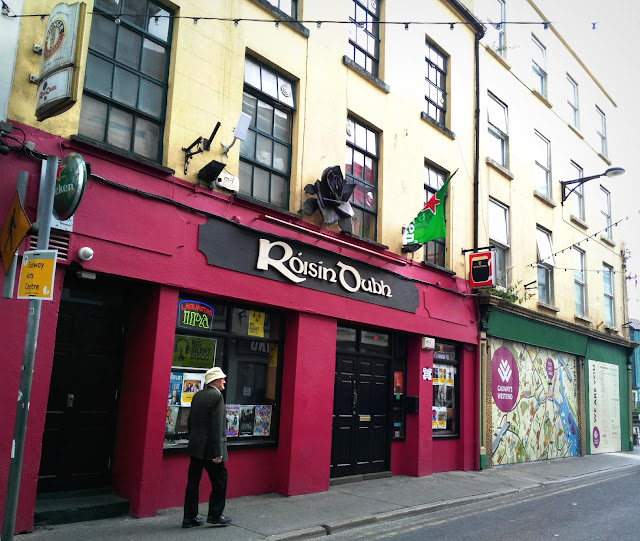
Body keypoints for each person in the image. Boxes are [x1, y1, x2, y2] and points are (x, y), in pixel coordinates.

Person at [182, 366, 231, 528]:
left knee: (193, 483)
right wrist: (218, 452)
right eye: (222, 379)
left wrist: (193, 439)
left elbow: (190, 422)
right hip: (210, 449)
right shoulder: (216, 396)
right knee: (220, 480)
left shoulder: (198, 395)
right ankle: (215, 515)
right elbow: (217, 426)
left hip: (196, 447)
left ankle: (189, 518)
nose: (224, 381)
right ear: (215, 381)